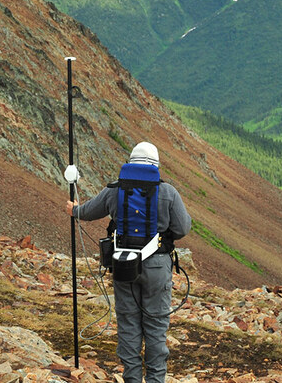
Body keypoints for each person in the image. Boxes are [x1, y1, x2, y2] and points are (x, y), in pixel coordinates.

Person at [67, 141, 191, 383]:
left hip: (124, 264)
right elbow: (182, 228)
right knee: (155, 326)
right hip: (157, 265)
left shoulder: (115, 189)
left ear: (131, 161)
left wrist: (74, 209)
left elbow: (90, 211)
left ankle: (132, 379)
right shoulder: (168, 192)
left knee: (129, 323)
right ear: (155, 165)